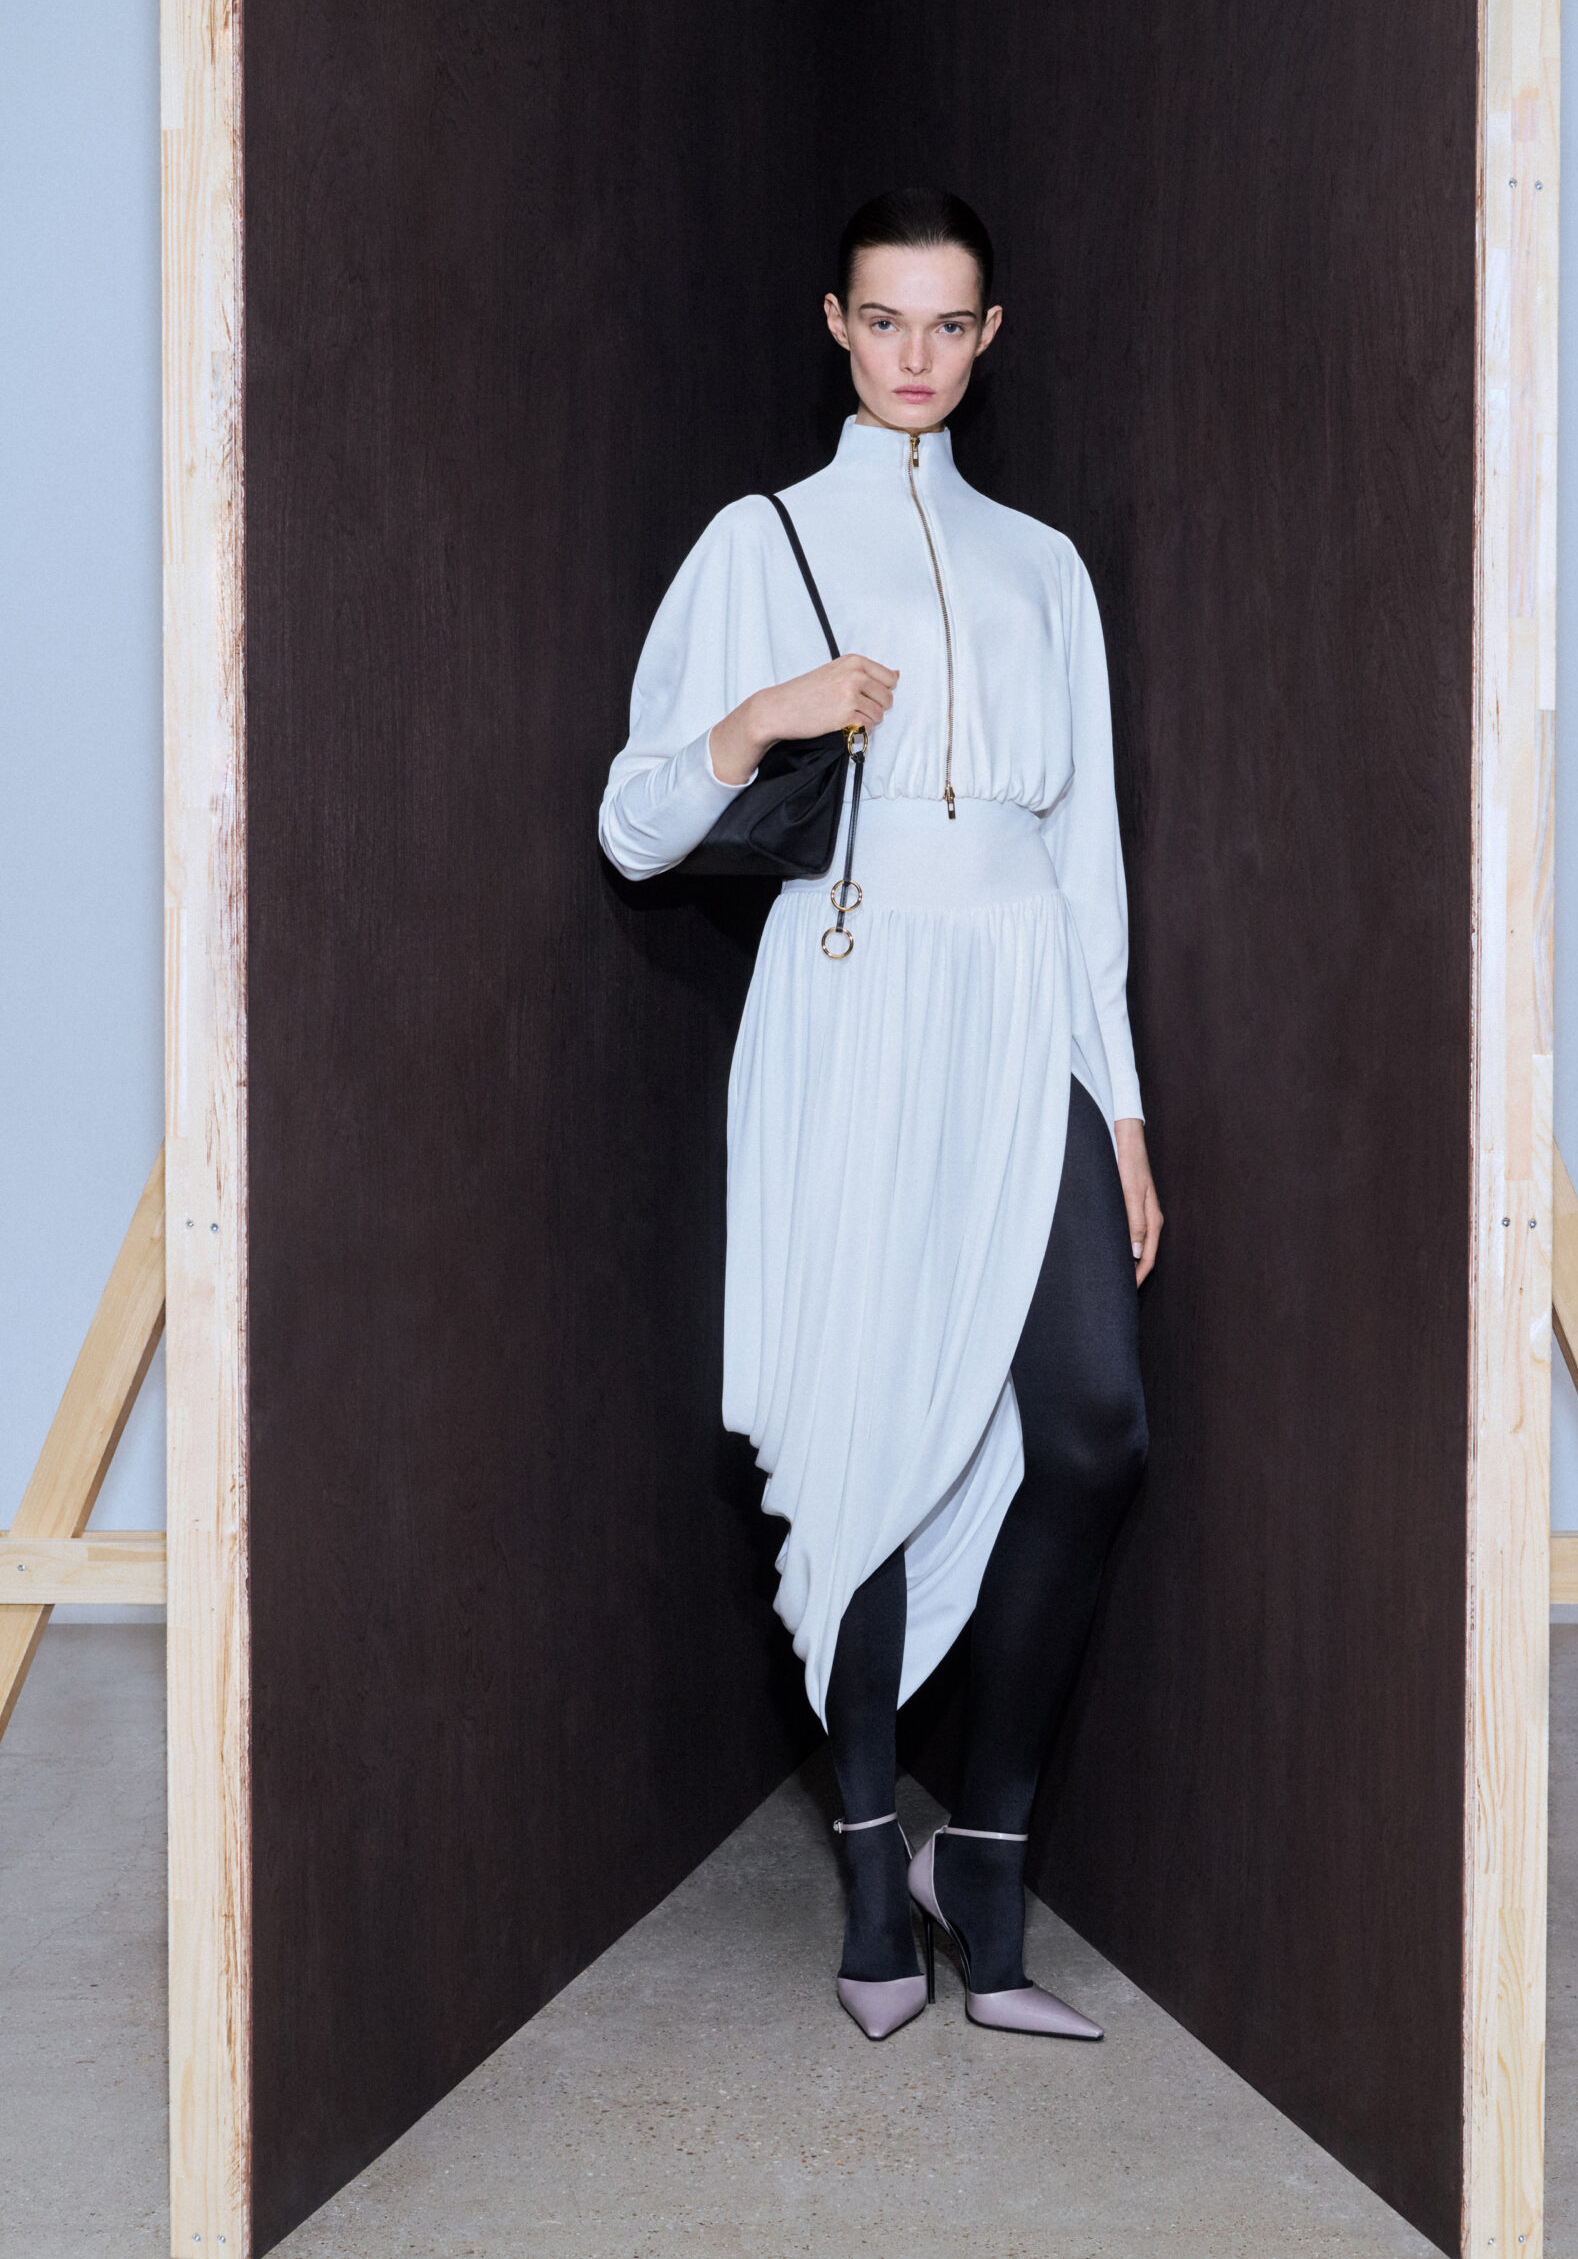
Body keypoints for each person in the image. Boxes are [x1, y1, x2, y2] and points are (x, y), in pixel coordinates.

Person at [600, 188, 1162, 2042]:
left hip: (1021, 1007)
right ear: (835, 324)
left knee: (1094, 1432)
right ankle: (866, 1866)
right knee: (856, 1425)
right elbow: (634, 823)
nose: (916, 355)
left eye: (949, 324)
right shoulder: (759, 540)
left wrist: (1122, 1111)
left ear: (989, 337)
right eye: (885, 320)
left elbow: (1086, 859)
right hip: (849, 1005)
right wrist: (764, 713)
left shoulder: (1045, 566)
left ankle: (978, 1853)